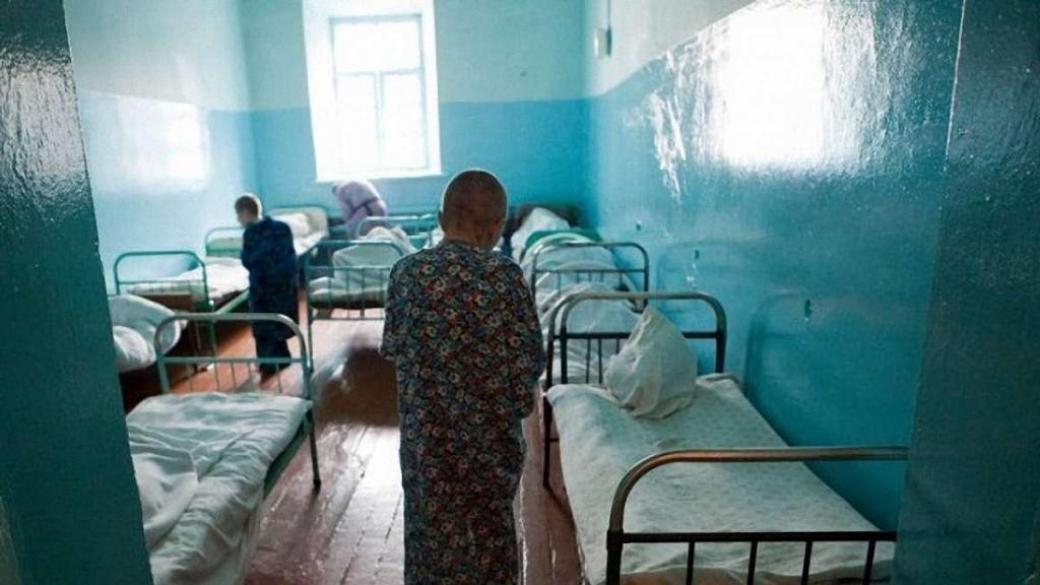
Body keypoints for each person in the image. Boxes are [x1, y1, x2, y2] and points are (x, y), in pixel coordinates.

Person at [381, 170, 545, 584]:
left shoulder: (406, 274)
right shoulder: (505, 277)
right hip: (489, 443)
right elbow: (529, 363)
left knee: (428, 538)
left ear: (441, 218)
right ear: (498, 225)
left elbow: (395, 350)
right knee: (491, 536)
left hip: (427, 443)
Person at [236, 194, 298, 375]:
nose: (238, 220)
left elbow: (248, 260)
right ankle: (282, 359)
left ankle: (269, 364)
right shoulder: (282, 228)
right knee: (278, 321)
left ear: (245, 212)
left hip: (262, 285)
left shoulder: (251, 233)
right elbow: (290, 256)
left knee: (263, 325)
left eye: (238, 215)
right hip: (283, 283)